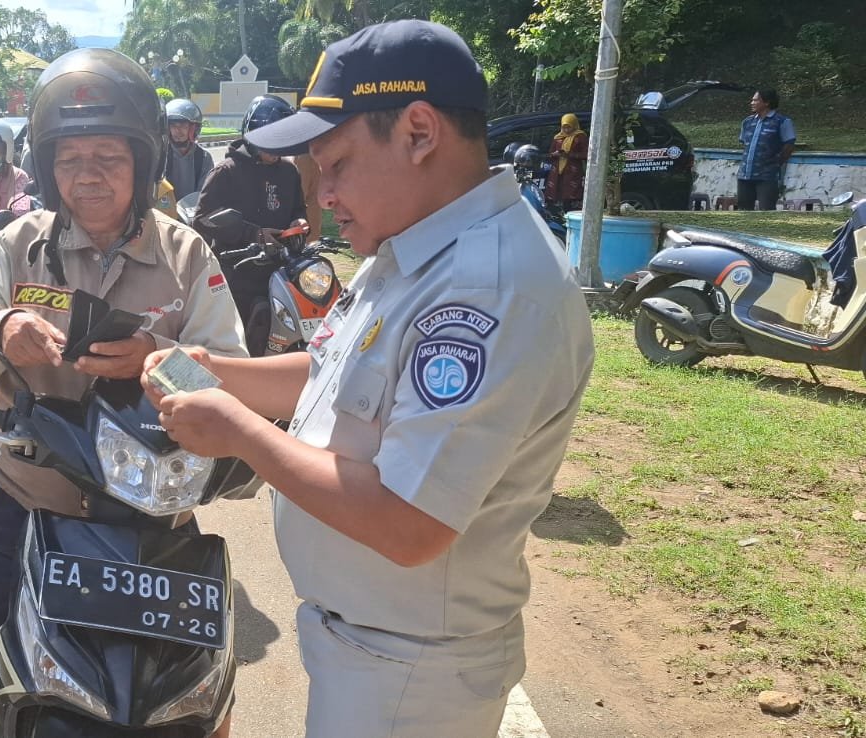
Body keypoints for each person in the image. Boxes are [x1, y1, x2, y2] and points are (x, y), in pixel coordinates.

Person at [145, 20, 594, 737]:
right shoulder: (416, 248)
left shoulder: (487, 288)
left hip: (410, 679)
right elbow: (331, 373)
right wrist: (220, 374)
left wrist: (236, 431)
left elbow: (408, 523)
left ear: (419, 132)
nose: (321, 196)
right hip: (375, 651)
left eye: (337, 165)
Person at [0, 47, 247, 738]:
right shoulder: (19, 244)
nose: (87, 175)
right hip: (29, 491)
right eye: (70, 158)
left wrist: (159, 359)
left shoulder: (187, 255)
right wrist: (1, 326)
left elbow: (231, 375)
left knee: (201, 675)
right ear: (49, 166)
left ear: (142, 163)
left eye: (108, 158)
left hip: (151, 511)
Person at [194, 93, 308, 351]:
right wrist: (252, 234)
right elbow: (202, 219)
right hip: (239, 272)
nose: (276, 147)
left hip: (282, 271)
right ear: (253, 134)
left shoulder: (290, 172)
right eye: (271, 138)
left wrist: (299, 221)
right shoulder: (227, 171)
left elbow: (298, 208)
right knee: (241, 343)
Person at [737, 88, 796, 211]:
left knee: (766, 212)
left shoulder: (782, 122)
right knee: (743, 213)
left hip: (767, 177)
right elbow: (744, 144)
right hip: (745, 176)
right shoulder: (747, 122)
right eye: (752, 100)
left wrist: (775, 163)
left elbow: (789, 146)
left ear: (767, 102)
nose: (752, 103)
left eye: (755, 100)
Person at [164, 97, 214, 200]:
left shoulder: (204, 158)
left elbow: (205, 193)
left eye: (183, 125)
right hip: (165, 212)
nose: (178, 131)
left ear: (194, 129)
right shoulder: (161, 155)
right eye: (173, 126)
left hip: (193, 213)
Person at [544, 113, 586, 213]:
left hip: (572, 173)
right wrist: (555, 154)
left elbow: (586, 154)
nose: (566, 130)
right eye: (564, 127)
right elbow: (550, 153)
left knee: (571, 199)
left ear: (574, 125)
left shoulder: (580, 137)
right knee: (556, 198)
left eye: (569, 127)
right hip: (557, 172)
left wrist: (569, 155)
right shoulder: (558, 137)